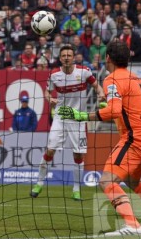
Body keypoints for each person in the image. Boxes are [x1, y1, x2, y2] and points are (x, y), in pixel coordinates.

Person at [58, 41, 141, 236]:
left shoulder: (111, 79)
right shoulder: (135, 79)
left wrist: (81, 116)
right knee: (132, 181)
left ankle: (132, 225)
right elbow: (125, 106)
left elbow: (114, 110)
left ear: (107, 58)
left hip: (136, 139)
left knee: (107, 181)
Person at [32, 45, 105, 201]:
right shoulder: (54, 75)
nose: (66, 57)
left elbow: (97, 86)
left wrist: (101, 94)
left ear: (74, 57)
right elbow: (47, 92)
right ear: (60, 58)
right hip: (60, 117)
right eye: (64, 55)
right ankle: (38, 183)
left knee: (78, 155)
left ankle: (76, 189)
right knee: (50, 150)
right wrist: (49, 98)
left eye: (69, 55)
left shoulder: (84, 72)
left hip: (78, 119)